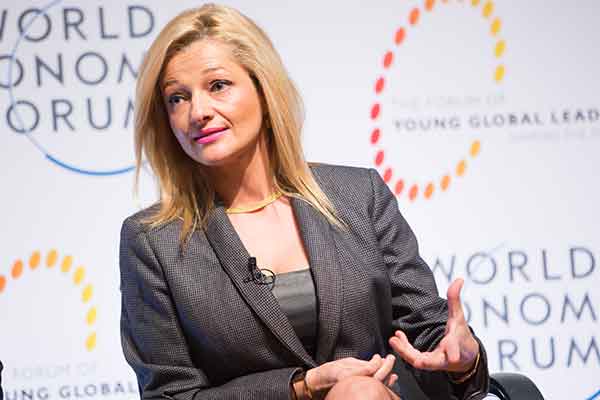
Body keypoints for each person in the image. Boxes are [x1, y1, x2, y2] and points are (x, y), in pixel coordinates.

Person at [119, 4, 489, 400]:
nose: (198, 112)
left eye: (218, 86)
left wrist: (461, 361)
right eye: (177, 98)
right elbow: (170, 395)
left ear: (264, 89)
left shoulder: (358, 195)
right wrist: (302, 387)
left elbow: (427, 340)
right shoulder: (153, 242)